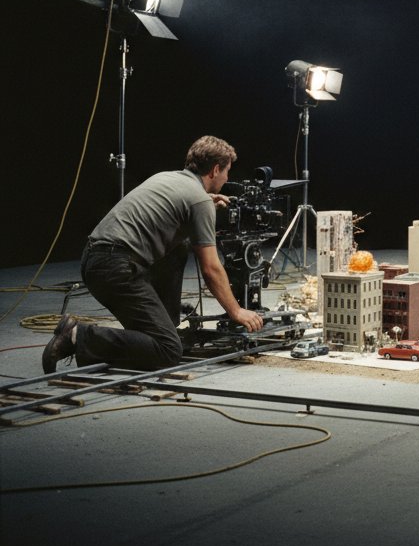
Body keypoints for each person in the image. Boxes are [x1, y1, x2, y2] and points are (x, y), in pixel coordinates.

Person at [42, 135, 264, 373]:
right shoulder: (198, 201)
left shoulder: (165, 177)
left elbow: (175, 204)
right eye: (227, 171)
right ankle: (78, 335)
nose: (227, 178)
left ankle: (162, 327)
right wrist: (236, 311)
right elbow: (210, 269)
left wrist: (205, 200)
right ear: (215, 169)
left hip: (94, 260)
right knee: (168, 351)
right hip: (117, 269)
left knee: (179, 248)